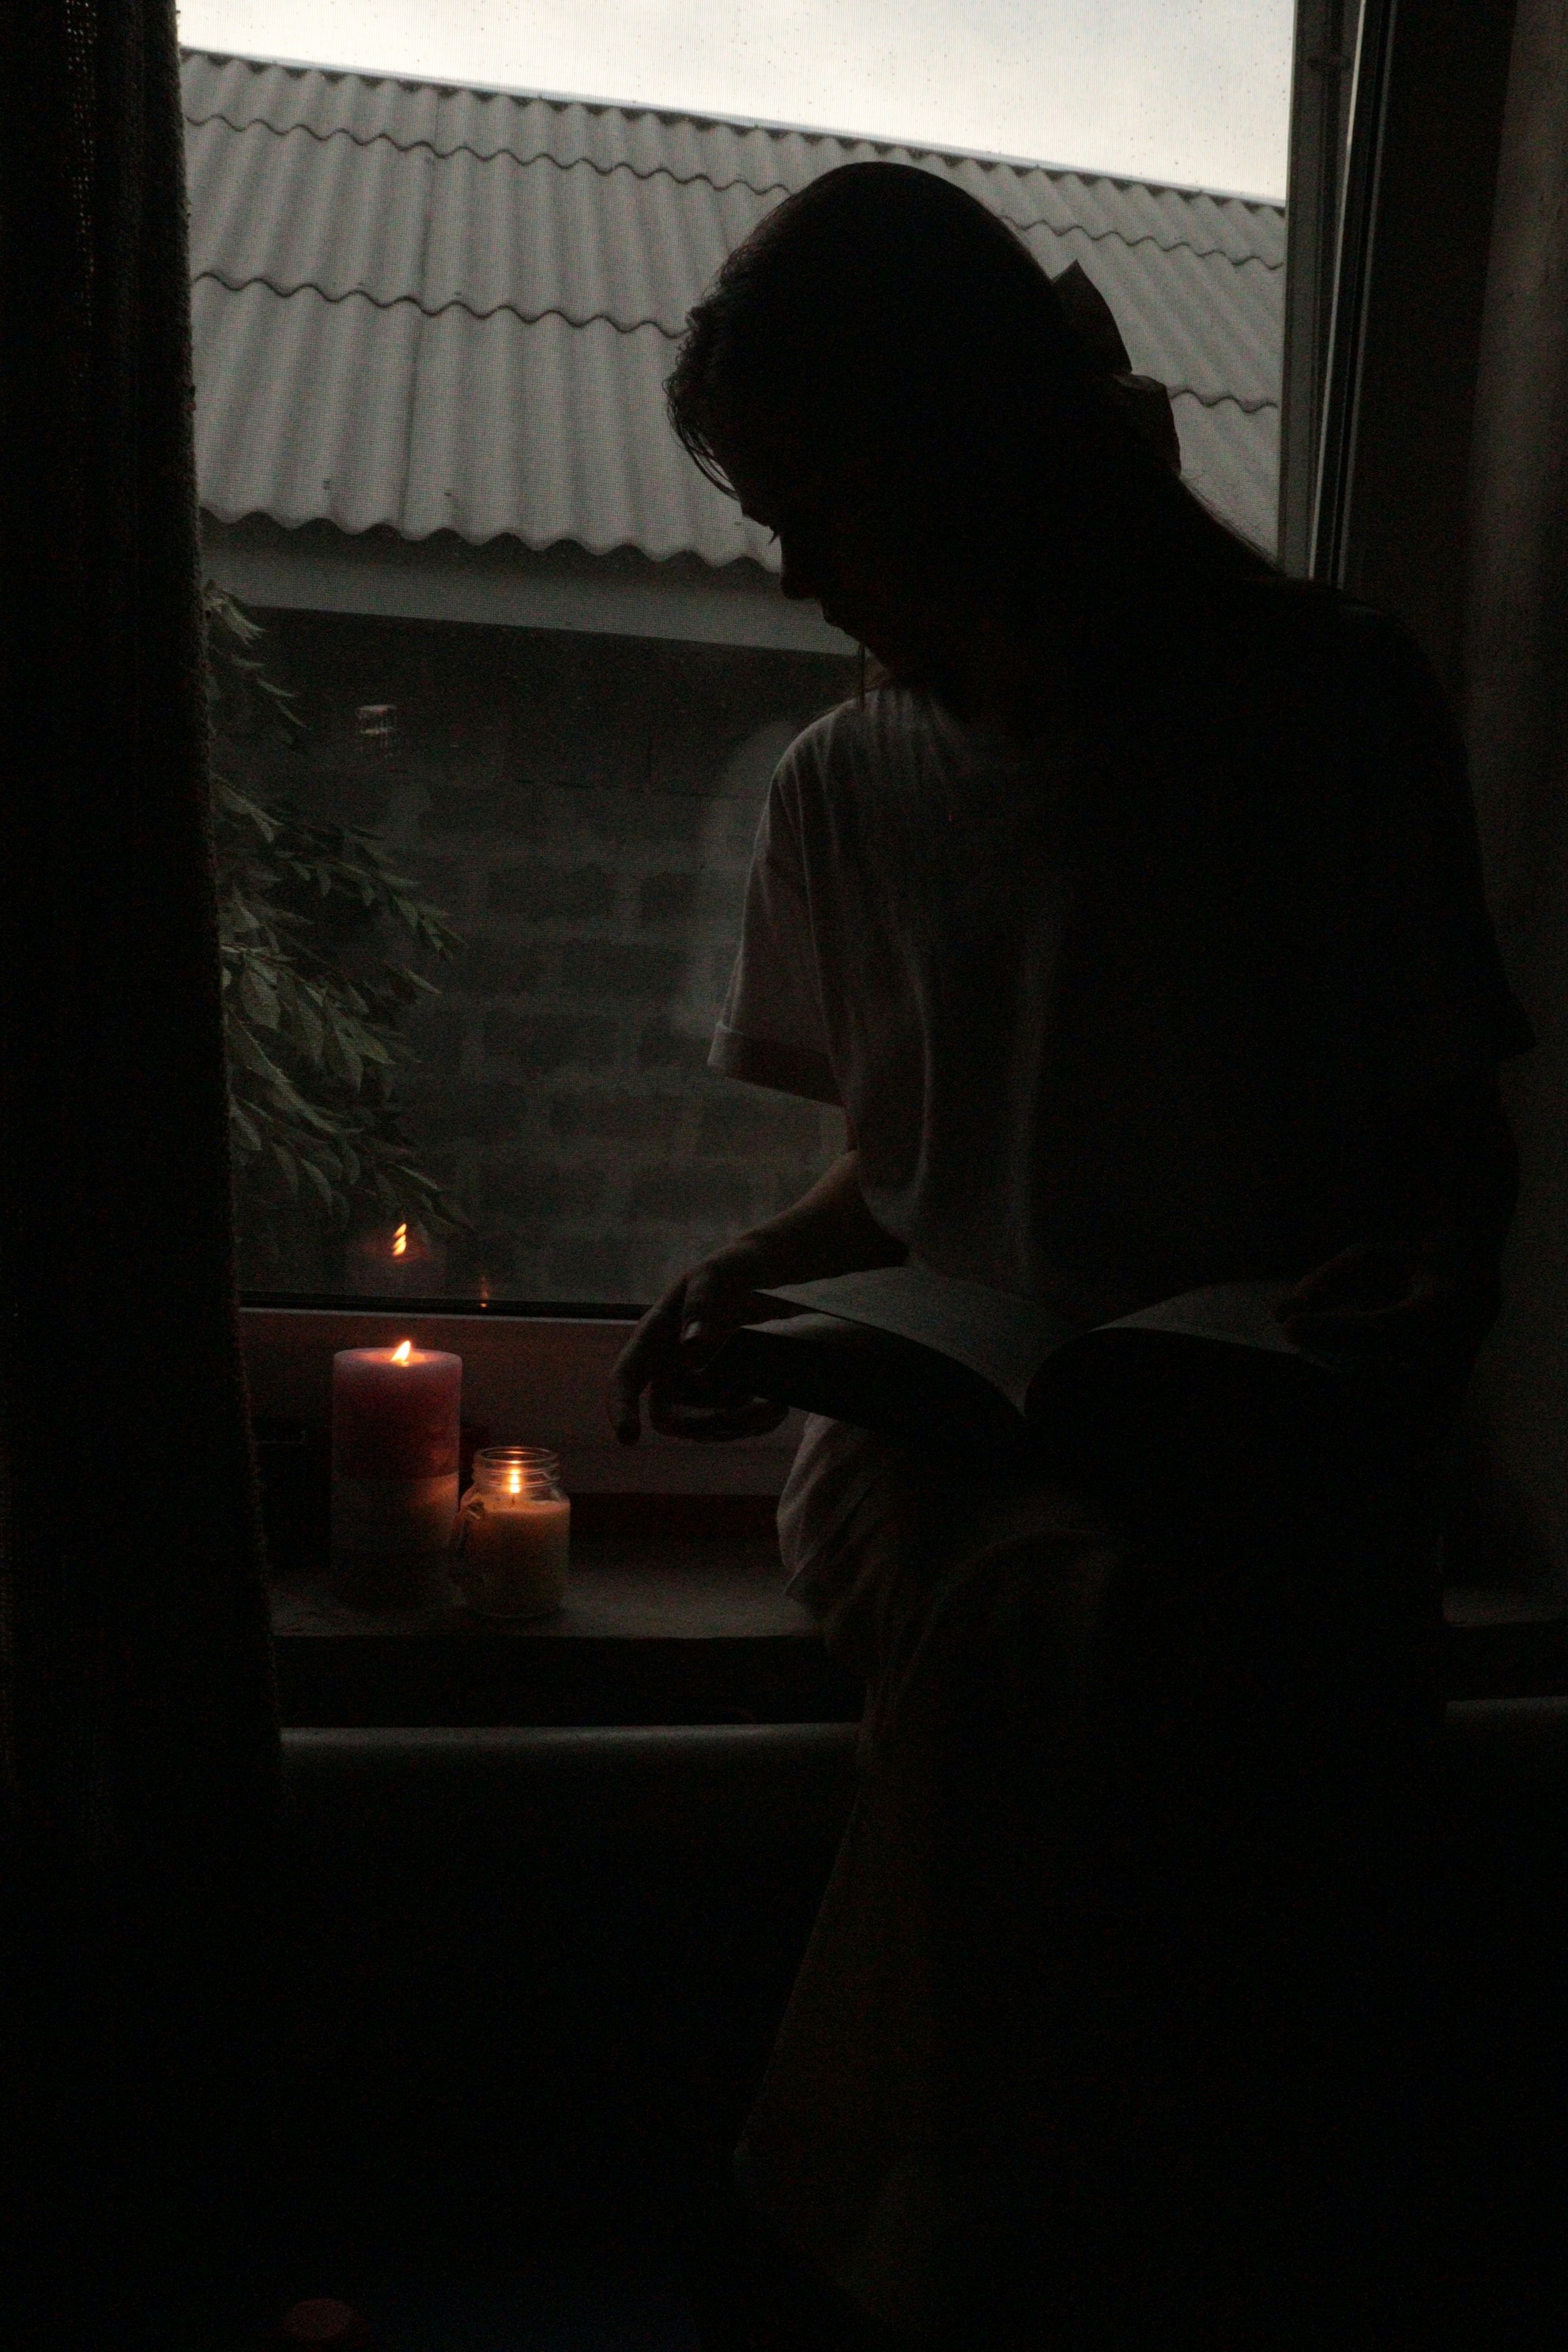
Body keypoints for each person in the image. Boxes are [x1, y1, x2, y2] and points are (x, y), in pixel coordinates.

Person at [608, 162, 1530, 2350]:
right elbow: (902, 1175)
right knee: (1094, 1619)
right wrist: (751, 1278)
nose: (802, 579)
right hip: (935, 1451)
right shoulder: (846, 786)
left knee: (1111, 1618)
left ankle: (862, 2240)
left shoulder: (1322, 709)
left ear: (969, 457)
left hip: (1247, 1442)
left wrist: (1424, 1292)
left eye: (830, 513)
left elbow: (1449, 1162)